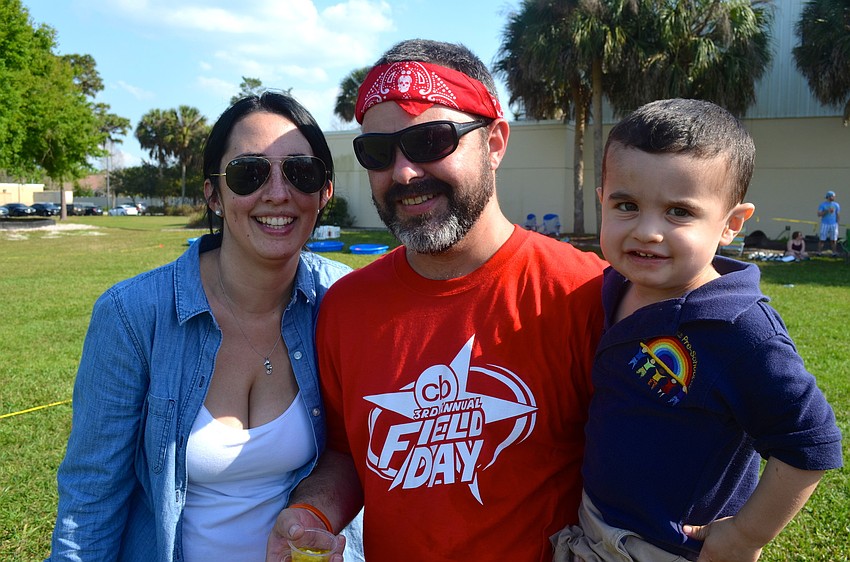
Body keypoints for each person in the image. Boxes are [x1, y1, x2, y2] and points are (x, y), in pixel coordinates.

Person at [266, 39, 607, 562]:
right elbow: (349, 456)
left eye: (430, 141)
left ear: (494, 143)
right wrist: (310, 514)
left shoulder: (584, 293)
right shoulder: (346, 306)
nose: (403, 173)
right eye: (379, 153)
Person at [47, 91, 355, 561]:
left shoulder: (345, 302)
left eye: (301, 172)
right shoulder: (133, 316)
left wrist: (316, 513)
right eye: (249, 173)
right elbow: (90, 500)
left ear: (324, 192)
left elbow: (360, 457)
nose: (278, 192)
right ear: (213, 193)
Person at [552, 99, 843, 562]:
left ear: (731, 223)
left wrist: (746, 535)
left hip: (667, 548)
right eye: (626, 204)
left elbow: (810, 438)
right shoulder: (612, 286)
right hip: (594, 523)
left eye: (679, 212)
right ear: (601, 198)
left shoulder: (738, 328)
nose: (647, 231)